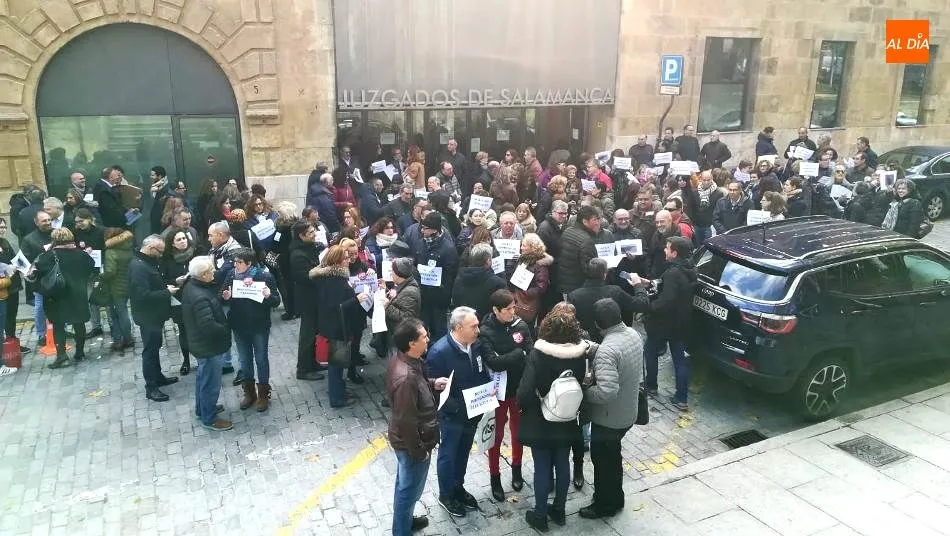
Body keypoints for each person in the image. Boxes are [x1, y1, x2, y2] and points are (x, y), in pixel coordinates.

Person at [517, 311, 589, 531]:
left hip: (541, 418)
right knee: (562, 462)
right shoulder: (579, 354)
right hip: (567, 417)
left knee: (541, 467)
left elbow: (524, 392)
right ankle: (559, 510)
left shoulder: (538, 354)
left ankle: (540, 515)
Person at [579, 298, 644, 519]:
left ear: (598, 324)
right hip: (627, 413)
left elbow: (606, 391)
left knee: (604, 462)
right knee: (614, 458)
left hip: (608, 419)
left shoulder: (608, 350)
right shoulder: (632, 335)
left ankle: (605, 505)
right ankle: (616, 497)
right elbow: (617, 354)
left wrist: (583, 393)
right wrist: (593, 349)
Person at [386, 319, 450, 535]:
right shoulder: (406, 378)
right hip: (412, 445)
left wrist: (432, 383)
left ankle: (405, 522)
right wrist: (418, 452)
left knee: (404, 485)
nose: (428, 339)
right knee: (409, 490)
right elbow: (407, 421)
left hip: (412, 441)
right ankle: (401, 530)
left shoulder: (410, 361)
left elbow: (418, 385)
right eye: (424, 336)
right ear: (412, 343)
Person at [425, 307, 489, 517]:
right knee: (448, 456)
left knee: (462, 454)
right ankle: (446, 495)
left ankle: (458, 488)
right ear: (459, 328)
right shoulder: (439, 352)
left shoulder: (475, 345)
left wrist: (487, 391)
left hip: (472, 413)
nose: (478, 330)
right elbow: (433, 391)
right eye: (474, 326)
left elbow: (480, 373)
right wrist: (457, 408)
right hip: (452, 416)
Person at [628, 236, 697, 411]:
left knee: (650, 351)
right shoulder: (688, 269)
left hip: (664, 324)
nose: (665, 251)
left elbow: (667, 300)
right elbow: (668, 286)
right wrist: (650, 282)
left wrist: (648, 307)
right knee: (679, 359)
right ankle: (681, 397)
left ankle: (651, 386)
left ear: (674, 253)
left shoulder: (673, 272)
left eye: (667, 248)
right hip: (681, 323)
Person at [479, 289, 534, 502]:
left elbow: (530, 352)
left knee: (518, 432)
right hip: (498, 392)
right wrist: (517, 354)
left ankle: (517, 470)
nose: (514, 311)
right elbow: (493, 361)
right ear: (496, 310)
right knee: (496, 436)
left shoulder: (520, 325)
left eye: (514, 307)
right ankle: (495, 476)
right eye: (509, 309)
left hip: (518, 389)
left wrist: (511, 357)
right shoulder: (485, 332)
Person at [222, 248, 281, 412]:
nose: (236, 265)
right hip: (239, 325)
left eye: (239, 262)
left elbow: (276, 301)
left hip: (259, 325)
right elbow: (223, 294)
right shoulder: (231, 275)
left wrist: (269, 296)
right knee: (244, 359)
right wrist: (226, 296)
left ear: (249, 263)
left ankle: (263, 394)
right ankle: (249, 393)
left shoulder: (264, 276)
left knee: (261, 358)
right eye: (235, 262)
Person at [180, 256, 233, 431]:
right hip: (209, 346)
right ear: (203, 275)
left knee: (203, 378)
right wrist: (226, 328)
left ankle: (202, 409)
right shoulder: (199, 296)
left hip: (201, 344)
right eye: (211, 270)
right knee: (210, 382)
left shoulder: (192, 286)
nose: (214, 272)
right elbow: (208, 325)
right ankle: (210, 418)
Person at [31, 228, 95, 369]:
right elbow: (91, 268)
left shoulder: (48, 256)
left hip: (57, 296)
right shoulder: (81, 255)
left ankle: (62, 357)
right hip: (78, 294)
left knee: (58, 326)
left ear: (54, 240)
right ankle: (79, 352)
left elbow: (39, 272)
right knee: (79, 323)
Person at [314, 245, 369, 408]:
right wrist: (356, 299)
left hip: (334, 326)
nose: (349, 260)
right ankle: (337, 398)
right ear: (338, 261)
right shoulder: (335, 280)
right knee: (336, 364)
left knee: (336, 362)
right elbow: (337, 307)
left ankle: (339, 390)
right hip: (337, 327)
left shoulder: (332, 276)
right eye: (345, 258)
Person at [129, 235, 177, 402]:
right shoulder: (139, 267)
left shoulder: (146, 262)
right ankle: (151, 387)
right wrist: (166, 292)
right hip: (147, 315)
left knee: (155, 346)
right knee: (150, 351)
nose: (161, 255)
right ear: (150, 248)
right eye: (160, 251)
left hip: (154, 315)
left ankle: (158, 377)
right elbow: (142, 295)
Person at [289, 220, 327, 381]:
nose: (314, 235)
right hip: (307, 298)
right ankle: (303, 369)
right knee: (308, 333)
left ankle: (312, 362)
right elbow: (304, 276)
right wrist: (321, 270)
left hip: (315, 296)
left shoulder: (309, 247)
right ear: (301, 235)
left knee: (314, 331)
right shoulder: (297, 255)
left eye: (314, 231)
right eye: (310, 233)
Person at [411, 213, 458, 341]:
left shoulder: (448, 249)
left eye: (425, 228)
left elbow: (451, 274)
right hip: (423, 294)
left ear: (434, 229)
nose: (422, 230)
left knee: (439, 330)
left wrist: (444, 294)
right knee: (423, 328)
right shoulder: (421, 243)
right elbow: (415, 264)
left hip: (439, 297)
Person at [568, 257, 637, 342]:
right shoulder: (615, 291)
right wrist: (638, 285)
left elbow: (571, 323)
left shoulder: (573, 296)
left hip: (587, 341)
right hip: (613, 339)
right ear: (604, 275)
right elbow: (640, 304)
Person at [161, 230, 195, 372]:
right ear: (172, 244)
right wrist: (175, 281)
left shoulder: (196, 254)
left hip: (195, 297)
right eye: (179, 239)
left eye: (184, 238)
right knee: (183, 329)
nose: (183, 241)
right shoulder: (167, 260)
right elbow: (163, 279)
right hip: (179, 299)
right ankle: (186, 360)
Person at [559, 205, 611, 295]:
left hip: (565, 282)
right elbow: (589, 269)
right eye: (595, 220)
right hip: (579, 287)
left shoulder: (567, 231)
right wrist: (604, 269)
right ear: (585, 222)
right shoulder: (587, 240)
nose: (598, 223)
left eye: (599, 219)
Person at [20, 211, 54, 346]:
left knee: (59, 304)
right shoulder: (29, 239)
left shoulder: (56, 234)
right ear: (36, 222)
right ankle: (41, 334)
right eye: (44, 221)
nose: (48, 223)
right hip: (39, 279)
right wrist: (30, 271)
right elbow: (22, 261)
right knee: (40, 307)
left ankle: (60, 329)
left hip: (57, 276)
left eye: (49, 220)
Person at [101, 227, 135, 353]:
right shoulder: (128, 248)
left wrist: (100, 276)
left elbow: (110, 272)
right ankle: (127, 337)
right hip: (128, 285)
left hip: (115, 287)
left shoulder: (111, 252)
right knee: (123, 311)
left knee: (117, 314)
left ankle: (121, 339)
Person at [451, 243, 506, 321]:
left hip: (464, 325)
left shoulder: (459, 279)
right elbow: (503, 310)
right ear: (488, 261)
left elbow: (456, 301)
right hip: (489, 327)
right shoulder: (498, 283)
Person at [511, 233, 552, 326]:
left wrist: (526, 293)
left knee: (527, 326)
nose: (521, 248)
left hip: (528, 302)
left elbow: (541, 287)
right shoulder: (522, 258)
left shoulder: (540, 264)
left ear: (532, 247)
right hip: (518, 298)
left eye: (524, 246)